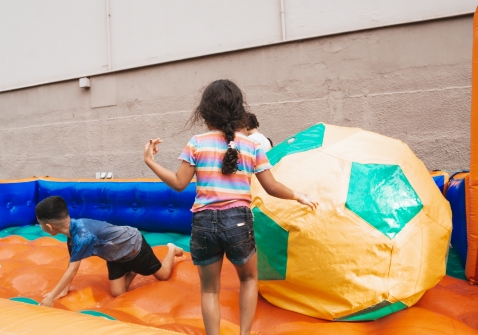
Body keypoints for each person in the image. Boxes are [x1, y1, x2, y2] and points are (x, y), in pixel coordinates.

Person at [143, 79, 318, 335]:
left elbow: (179, 183)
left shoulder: (196, 143)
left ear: (204, 112)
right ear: (238, 110)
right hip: (237, 222)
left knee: (210, 289)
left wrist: (150, 161)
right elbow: (271, 186)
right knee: (248, 279)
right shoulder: (251, 146)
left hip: (203, 223)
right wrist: (298, 195)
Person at [35, 196, 184, 307]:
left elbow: (73, 270)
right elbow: (71, 263)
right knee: (118, 293)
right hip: (114, 256)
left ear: (49, 227)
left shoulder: (82, 235)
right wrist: (64, 289)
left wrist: (50, 298)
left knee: (163, 275)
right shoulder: (71, 236)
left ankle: (171, 249)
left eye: (40, 224)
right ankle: (132, 270)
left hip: (132, 246)